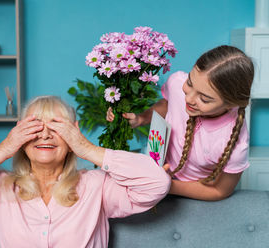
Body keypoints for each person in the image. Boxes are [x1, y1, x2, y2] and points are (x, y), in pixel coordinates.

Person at [0, 96, 170, 248]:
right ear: (19, 133)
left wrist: (86, 148)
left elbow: (157, 183)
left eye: (57, 126)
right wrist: (4, 149)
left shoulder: (98, 186)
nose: (45, 134)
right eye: (33, 127)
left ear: (73, 132)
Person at [106, 45, 254, 201]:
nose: (188, 99)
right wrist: (141, 119)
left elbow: (219, 190)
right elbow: (167, 105)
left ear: (231, 103)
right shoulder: (177, 82)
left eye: (204, 99)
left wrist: (164, 184)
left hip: (195, 192)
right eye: (190, 83)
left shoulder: (233, 140)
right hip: (160, 173)